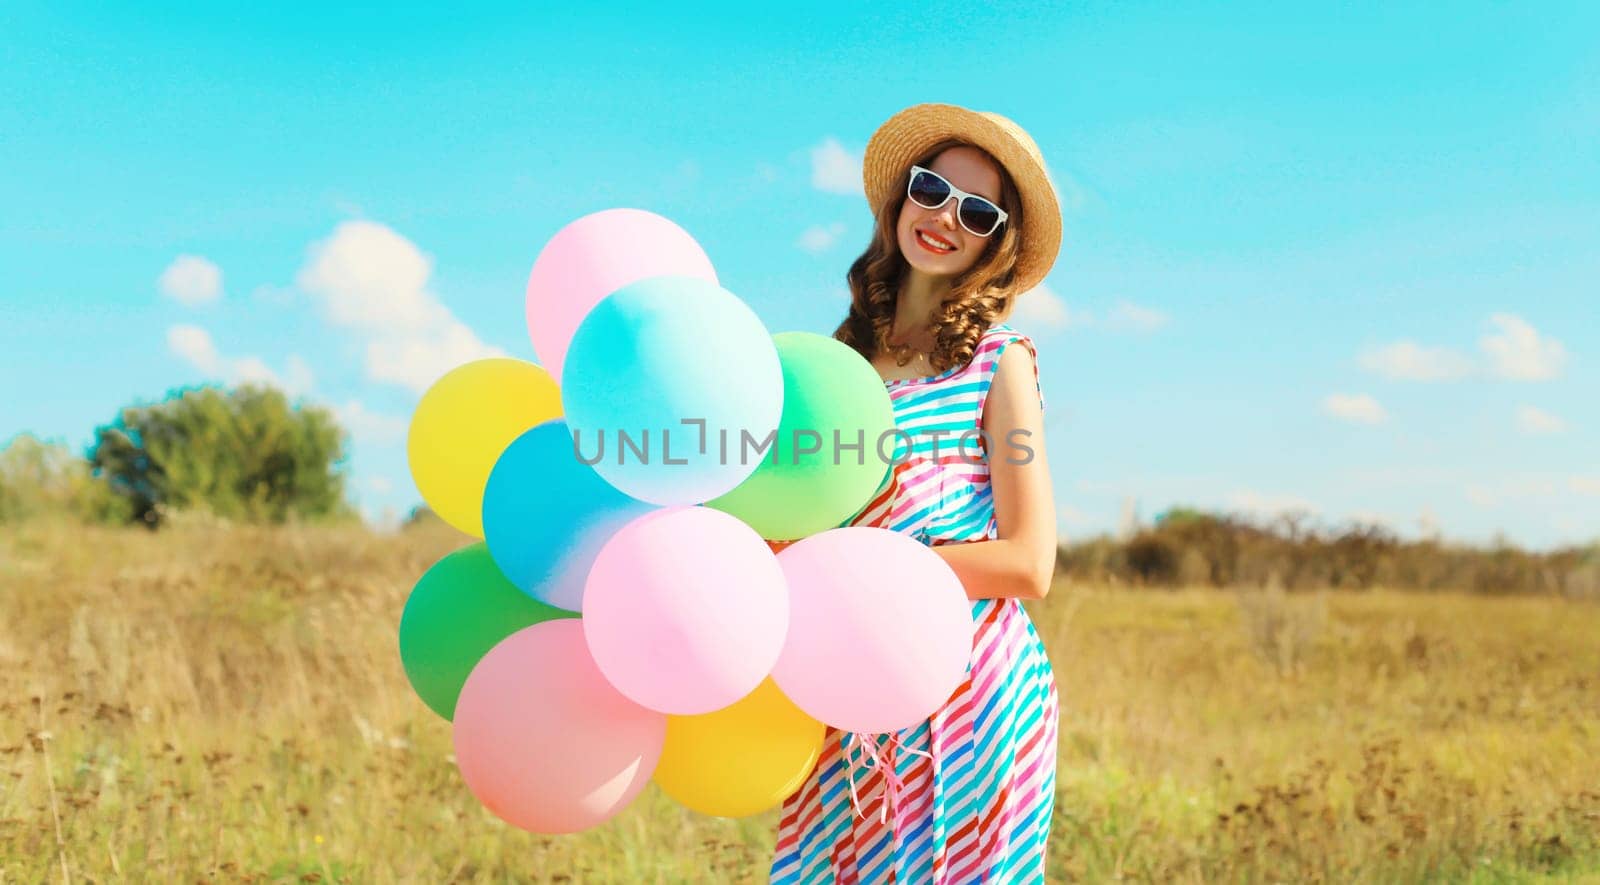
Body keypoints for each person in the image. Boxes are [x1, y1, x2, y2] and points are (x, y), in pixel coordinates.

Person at [769, 103, 1063, 884]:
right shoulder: (840, 361)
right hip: (844, 691)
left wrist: (874, 568)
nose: (944, 218)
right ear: (902, 195)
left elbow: (1031, 562)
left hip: (969, 694)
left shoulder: (999, 364)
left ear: (995, 241)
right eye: (932, 189)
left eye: (976, 210)